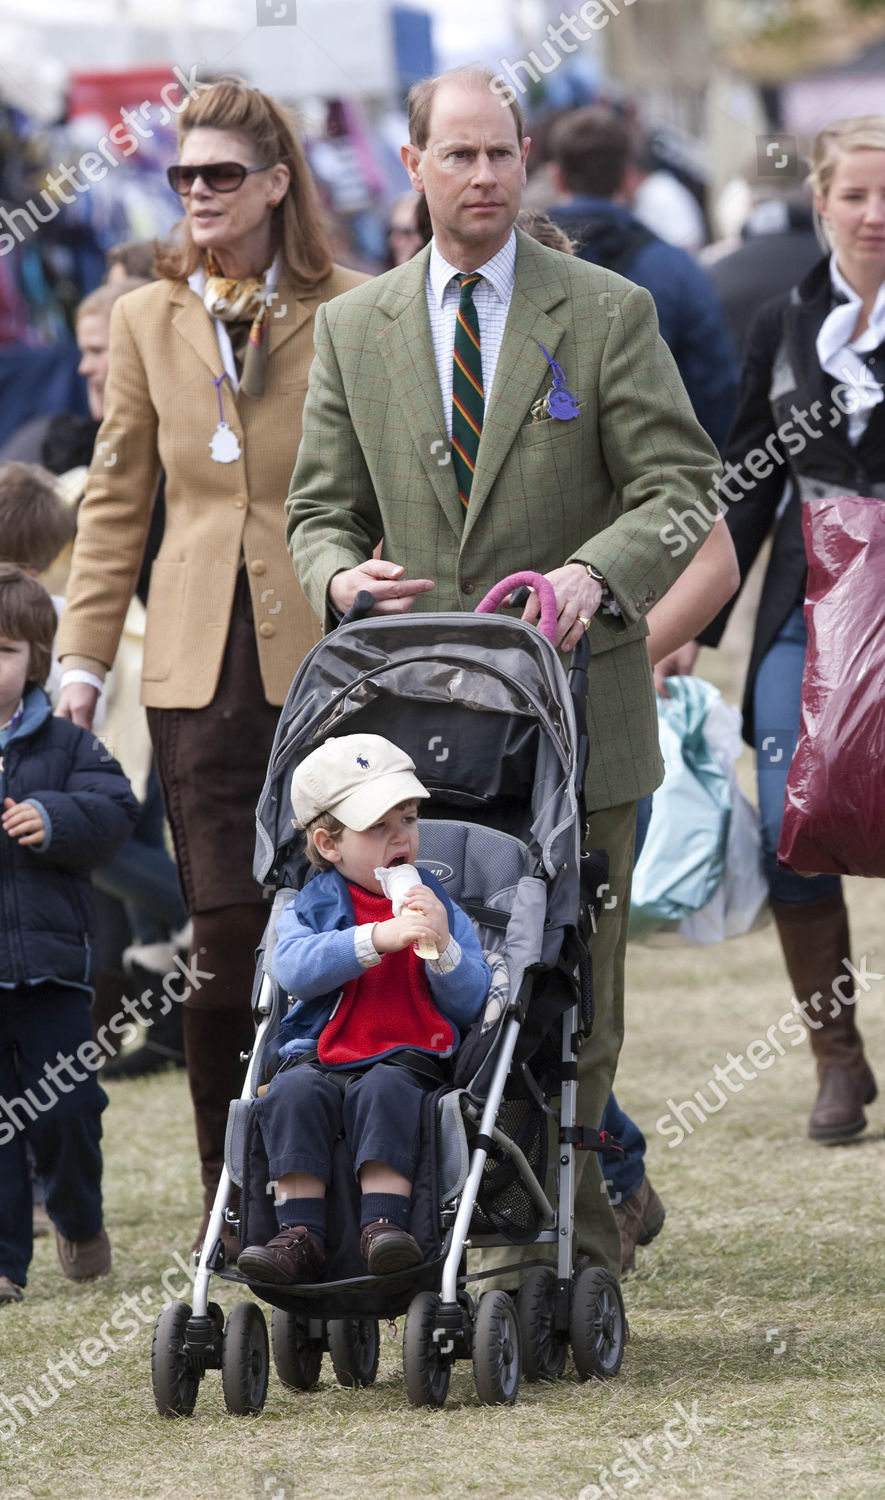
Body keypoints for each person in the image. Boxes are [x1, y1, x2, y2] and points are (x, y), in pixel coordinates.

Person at [286, 66, 722, 1279]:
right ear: (413, 165)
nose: (483, 176)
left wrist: (595, 572)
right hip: (421, 738)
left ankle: (567, 1254)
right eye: (459, 155)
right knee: (442, 979)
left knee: (577, 998)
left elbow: (681, 485)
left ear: (528, 160)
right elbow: (318, 511)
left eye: (501, 154)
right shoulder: (356, 327)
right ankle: (428, 1223)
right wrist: (339, 579)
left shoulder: (608, 310)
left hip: (585, 720)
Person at [55, 75, 368, 1257]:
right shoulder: (148, 316)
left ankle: (354, 1185)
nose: (196, 191)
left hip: (330, 654)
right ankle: (230, 1195)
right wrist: (81, 661)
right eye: (182, 174)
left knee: (343, 921)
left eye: (220, 174)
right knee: (226, 938)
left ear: (277, 183)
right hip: (198, 671)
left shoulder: (356, 307)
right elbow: (116, 503)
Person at [698, 114, 885, 1144]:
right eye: (854, 194)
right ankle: (837, 1060)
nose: (874, 213)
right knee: (790, 829)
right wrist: (687, 623)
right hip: (803, 611)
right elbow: (745, 483)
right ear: (820, 203)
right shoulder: (781, 321)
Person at [237, 735, 489, 1283]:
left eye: (409, 818)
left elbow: (473, 1001)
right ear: (329, 844)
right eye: (379, 826)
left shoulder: (439, 905)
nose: (401, 836)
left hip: (407, 1057)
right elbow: (293, 969)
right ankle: (299, 1233)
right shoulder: (314, 905)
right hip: (320, 1056)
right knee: (290, 1095)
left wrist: (444, 947)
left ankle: (384, 1225)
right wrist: (375, 938)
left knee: (386, 1092)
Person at [0, 566, 138, 1303]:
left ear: (36, 659)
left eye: (4, 650)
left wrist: (53, 818)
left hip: (53, 974)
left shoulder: (68, 745)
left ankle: (78, 1217)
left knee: (67, 1109)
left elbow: (117, 811)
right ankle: (5, 1264)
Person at [547, 107, 738, 450]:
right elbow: (716, 389)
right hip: (655, 463)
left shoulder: (520, 258)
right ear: (628, 177)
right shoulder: (676, 267)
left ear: (557, 177)